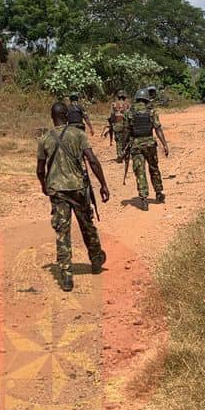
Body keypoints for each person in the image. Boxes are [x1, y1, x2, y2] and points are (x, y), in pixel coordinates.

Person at [37, 101, 110, 293]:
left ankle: (66, 275)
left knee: (62, 232)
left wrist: (44, 186)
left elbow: (39, 169)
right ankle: (95, 260)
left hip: (57, 192)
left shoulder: (44, 139)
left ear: (52, 118)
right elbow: (92, 160)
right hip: (77, 189)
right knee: (87, 224)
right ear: (67, 117)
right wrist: (103, 184)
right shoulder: (78, 135)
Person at [125, 88, 170, 211]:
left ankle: (144, 198)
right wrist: (165, 145)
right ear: (146, 98)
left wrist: (124, 148)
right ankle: (159, 192)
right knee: (154, 168)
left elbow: (127, 131)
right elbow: (158, 129)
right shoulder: (151, 111)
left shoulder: (130, 112)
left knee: (140, 171)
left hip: (136, 145)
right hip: (150, 144)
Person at [108, 90, 130, 161]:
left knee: (118, 141)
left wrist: (111, 123)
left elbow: (111, 115)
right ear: (124, 97)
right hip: (126, 125)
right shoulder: (128, 105)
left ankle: (120, 155)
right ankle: (126, 154)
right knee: (126, 140)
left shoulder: (114, 104)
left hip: (117, 125)